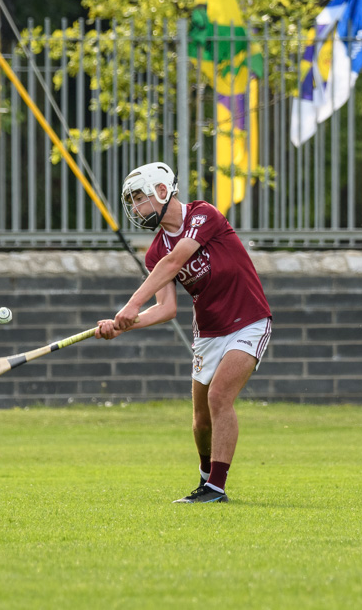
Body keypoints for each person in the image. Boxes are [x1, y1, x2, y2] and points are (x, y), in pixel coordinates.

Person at [97, 162, 272, 503]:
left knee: (220, 397)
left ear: (162, 191)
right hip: (208, 333)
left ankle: (215, 488)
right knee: (201, 420)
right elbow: (166, 309)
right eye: (131, 201)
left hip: (249, 320)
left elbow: (175, 262)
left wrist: (131, 304)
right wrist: (123, 326)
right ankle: (206, 476)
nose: (135, 208)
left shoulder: (202, 215)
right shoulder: (154, 251)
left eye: (139, 198)